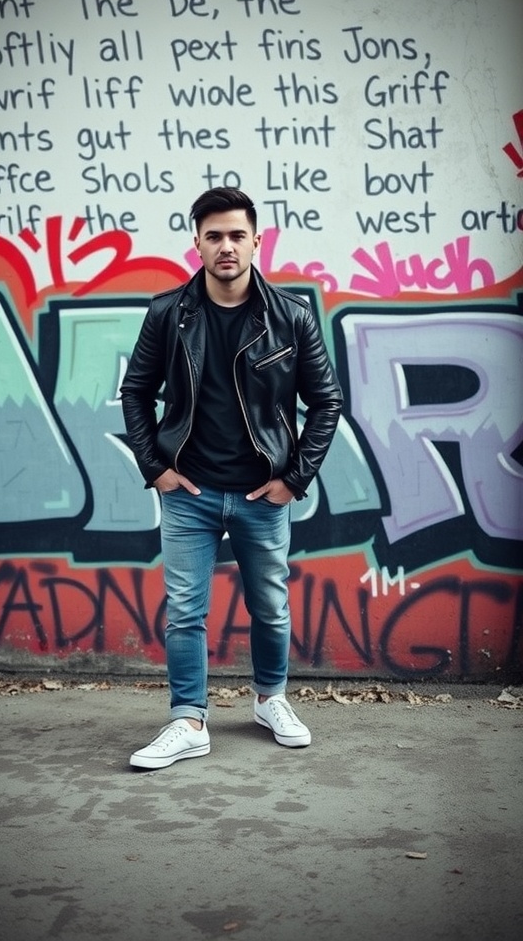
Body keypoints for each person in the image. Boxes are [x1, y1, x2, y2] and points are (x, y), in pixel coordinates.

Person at [120, 187, 343, 769]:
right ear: (196, 243)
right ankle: (187, 720)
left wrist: (294, 479)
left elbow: (326, 402)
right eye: (213, 235)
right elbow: (136, 392)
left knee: (269, 604)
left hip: (262, 494)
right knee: (186, 609)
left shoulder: (290, 316)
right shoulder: (168, 312)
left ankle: (271, 699)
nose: (225, 246)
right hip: (189, 493)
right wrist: (156, 468)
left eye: (236, 235)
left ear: (256, 241)